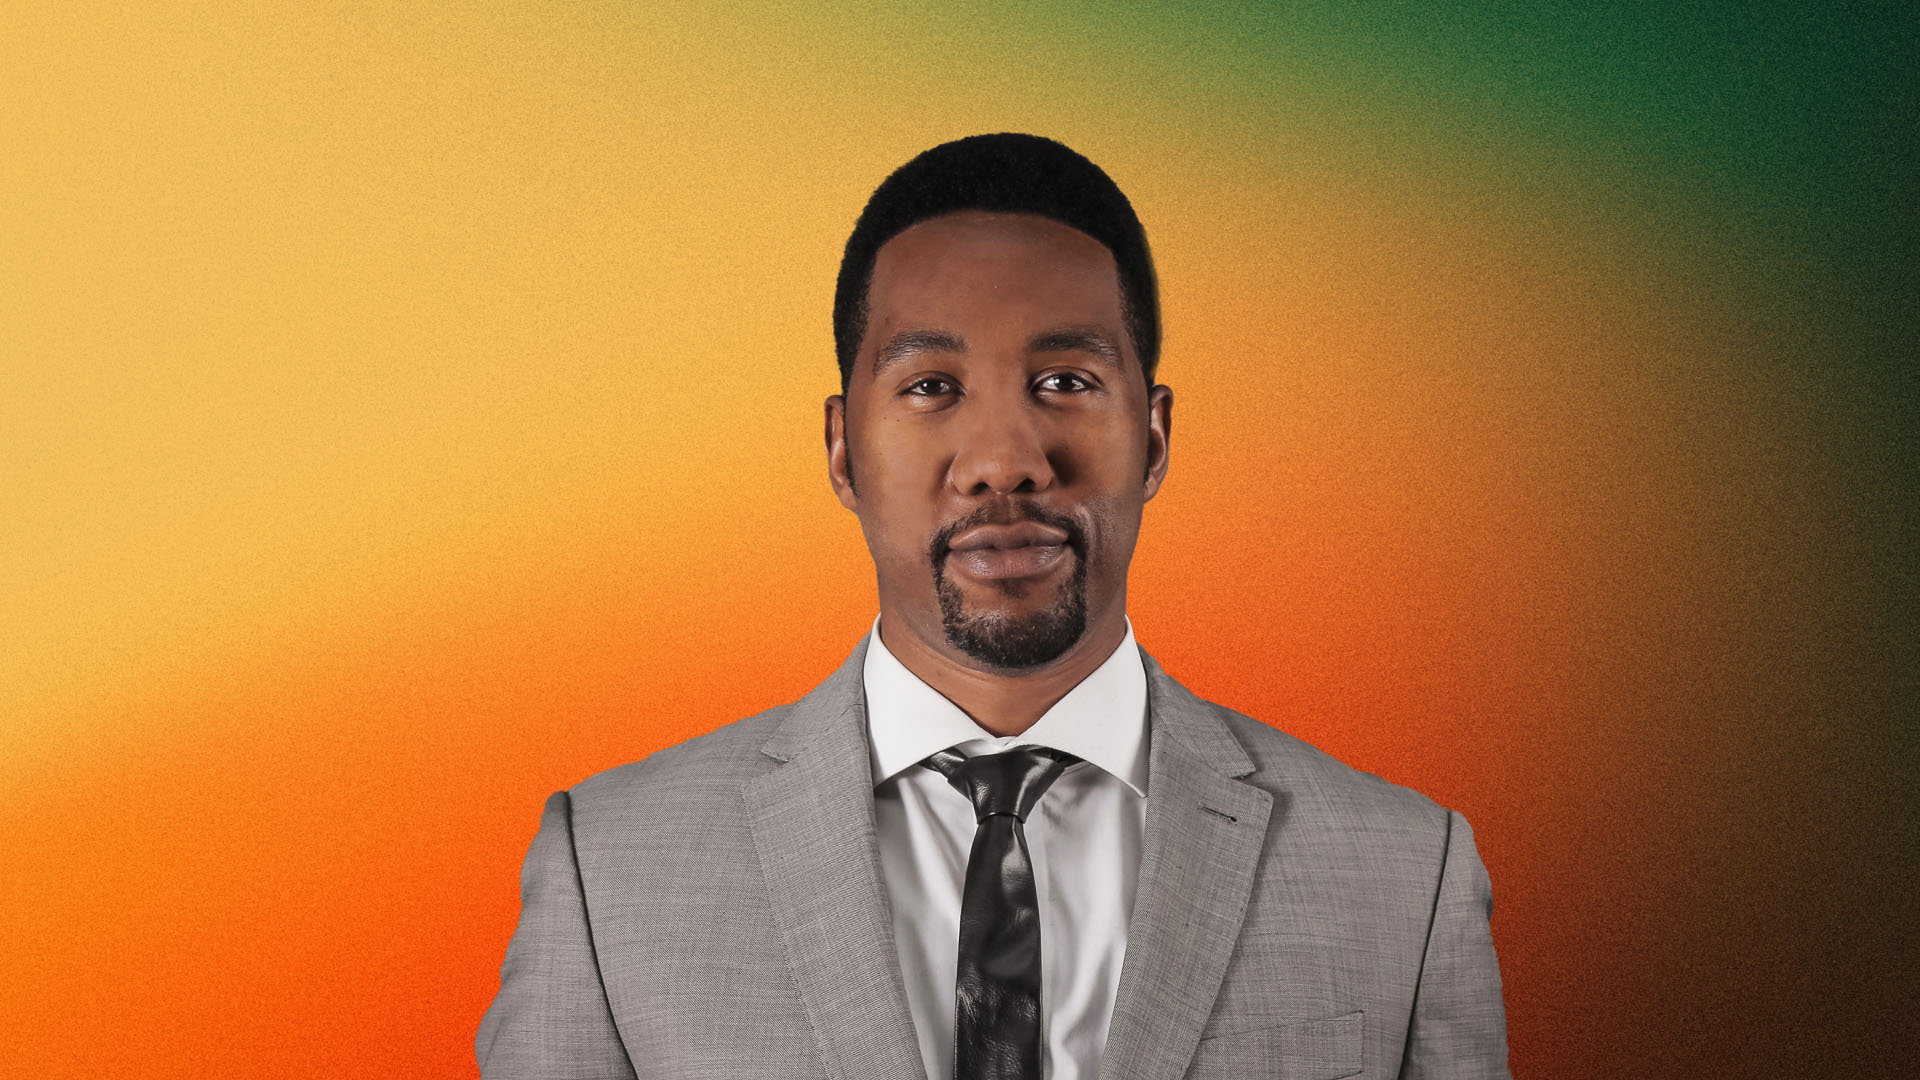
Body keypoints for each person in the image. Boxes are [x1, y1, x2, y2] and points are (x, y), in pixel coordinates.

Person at [476, 133, 1509, 1080]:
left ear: (1152, 437)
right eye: (931, 387)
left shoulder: (1403, 878)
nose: (1004, 461)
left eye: (1064, 379)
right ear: (843, 449)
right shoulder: (608, 871)